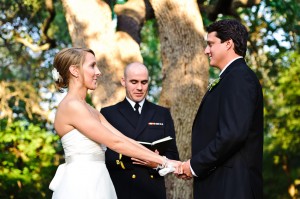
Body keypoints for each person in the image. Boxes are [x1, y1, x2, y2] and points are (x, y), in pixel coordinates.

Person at [49, 47, 180, 199]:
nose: (98, 72)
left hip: (100, 181)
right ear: (75, 70)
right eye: (92, 66)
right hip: (82, 183)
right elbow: (115, 143)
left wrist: (167, 161)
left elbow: (124, 139)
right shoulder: (72, 106)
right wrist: (164, 161)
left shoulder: (90, 109)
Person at [179, 19, 264, 199]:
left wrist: (195, 165)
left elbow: (232, 134)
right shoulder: (231, 77)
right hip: (221, 184)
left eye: (210, 44)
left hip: (232, 187)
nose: (206, 50)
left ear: (228, 44)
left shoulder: (239, 78)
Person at [100, 62, 180, 199]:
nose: (139, 87)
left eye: (144, 82)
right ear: (123, 82)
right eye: (134, 82)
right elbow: (102, 155)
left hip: (152, 190)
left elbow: (173, 155)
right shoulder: (108, 114)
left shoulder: (162, 113)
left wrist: (158, 164)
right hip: (121, 189)